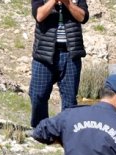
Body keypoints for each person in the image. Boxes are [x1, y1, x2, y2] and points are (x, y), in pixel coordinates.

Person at [29, 0, 89, 129]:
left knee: (70, 99)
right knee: (37, 95)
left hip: (71, 53)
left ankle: (66, 132)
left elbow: (83, 17)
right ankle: (40, 129)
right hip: (44, 53)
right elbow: (39, 16)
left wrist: (67, 3)